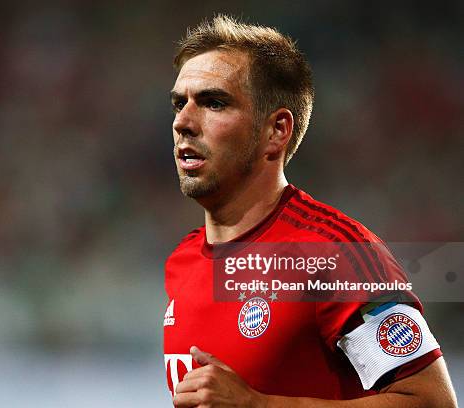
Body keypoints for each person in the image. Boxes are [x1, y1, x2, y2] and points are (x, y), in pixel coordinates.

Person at [163, 15, 457, 407]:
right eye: (179, 103)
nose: (183, 122)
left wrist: (261, 405)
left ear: (276, 131)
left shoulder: (335, 253)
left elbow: (432, 402)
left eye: (214, 103)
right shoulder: (183, 261)